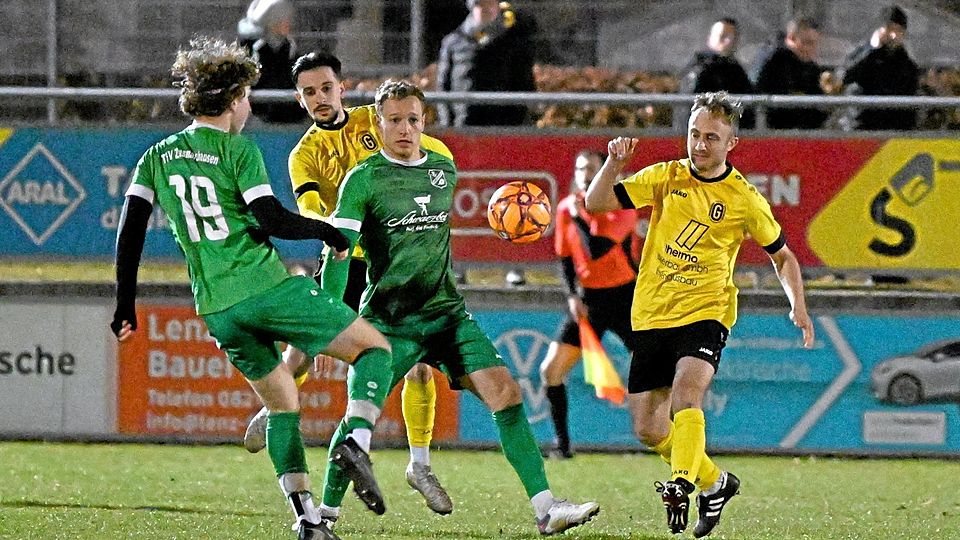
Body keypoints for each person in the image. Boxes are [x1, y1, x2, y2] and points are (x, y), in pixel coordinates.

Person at [109, 37, 395, 540]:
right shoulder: (238, 149)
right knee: (375, 349)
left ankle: (308, 520)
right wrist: (326, 231)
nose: (249, 106)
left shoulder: (156, 156)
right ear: (232, 98)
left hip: (217, 308)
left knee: (283, 401)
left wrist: (125, 302)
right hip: (266, 288)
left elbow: (130, 230)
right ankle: (356, 440)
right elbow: (271, 216)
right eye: (246, 96)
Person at [319, 79, 601, 536]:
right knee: (359, 419)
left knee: (506, 394)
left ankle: (547, 508)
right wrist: (330, 315)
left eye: (413, 119)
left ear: (424, 121)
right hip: (391, 322)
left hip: (447, 315)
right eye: (394, 121)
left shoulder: (442, 168)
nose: (405, 129)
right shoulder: (364, 179)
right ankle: (321, 518)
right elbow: (337, 252)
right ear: (378, 122)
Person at [585, 91, 815, 537]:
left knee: (687, 396)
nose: (700, 144)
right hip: (652, 313)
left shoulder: (744, 198)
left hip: (707, 311)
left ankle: (682, 483)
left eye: (712, 137)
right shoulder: (665, 177)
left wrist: (798, 305)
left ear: (731, 144)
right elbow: (596, 204)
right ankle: (716, 482)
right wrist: (613, 164)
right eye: (694, 134)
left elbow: (783, 256)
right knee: (648, 430)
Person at [242, 50, 454, 518]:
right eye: (309, 92)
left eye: (326, 88)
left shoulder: (374, 120)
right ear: (299, 100)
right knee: (305, 350)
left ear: (343, 87)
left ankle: (420, 465)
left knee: (418, 365)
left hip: (394, 261)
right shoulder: (305, 154)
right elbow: (315, 212)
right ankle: (275, 402)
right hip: (344, 258)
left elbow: (423, 155)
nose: (320, 98)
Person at [538, 149, 641, 459]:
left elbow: (596, 248)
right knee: (550, 371)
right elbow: (566, 257)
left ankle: (678, 441)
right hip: (589, 301)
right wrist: (572, 295)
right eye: (580, 168)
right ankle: (563, 446)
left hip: (626, 298)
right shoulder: (568, 208)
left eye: (592, 169)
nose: (584, 174)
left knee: (656, 372)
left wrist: (577, 214)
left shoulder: (621, 207)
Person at [436, 0, 537, 126]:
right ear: (472, 7)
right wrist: (447, 125)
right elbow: (443, 87)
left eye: (490, 3)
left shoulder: (514, 40)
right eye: (481, 4)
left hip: (505, 127)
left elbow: (525, 81)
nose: (486, 9)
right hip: (465, 125)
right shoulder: (453, 42)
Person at [833, 5, 919, 130]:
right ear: (879, 30)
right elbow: (845, 76)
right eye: (890, 29)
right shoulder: (862, 53)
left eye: (899, 30)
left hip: (893, 131)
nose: (893, 35)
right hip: (861, 127)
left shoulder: (906, 64)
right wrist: (872, 49)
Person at [676, 18, 754, 129]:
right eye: (723, 36)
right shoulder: (699, 69)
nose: (728, 41)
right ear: (710, 39)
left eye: (733, 37)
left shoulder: (736, 69)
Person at [752, 18, 829, 129]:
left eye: (815, 44)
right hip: (772, 133)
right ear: (791, 38)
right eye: (807, 42)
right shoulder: (773, 61)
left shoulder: (810, 67)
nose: (812, 49)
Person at [237, 0, 303, 123]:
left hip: (290, 117)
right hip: (261, 117)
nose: (288, 23)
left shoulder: (292, 49)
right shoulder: (256, 50)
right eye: (283, 19)